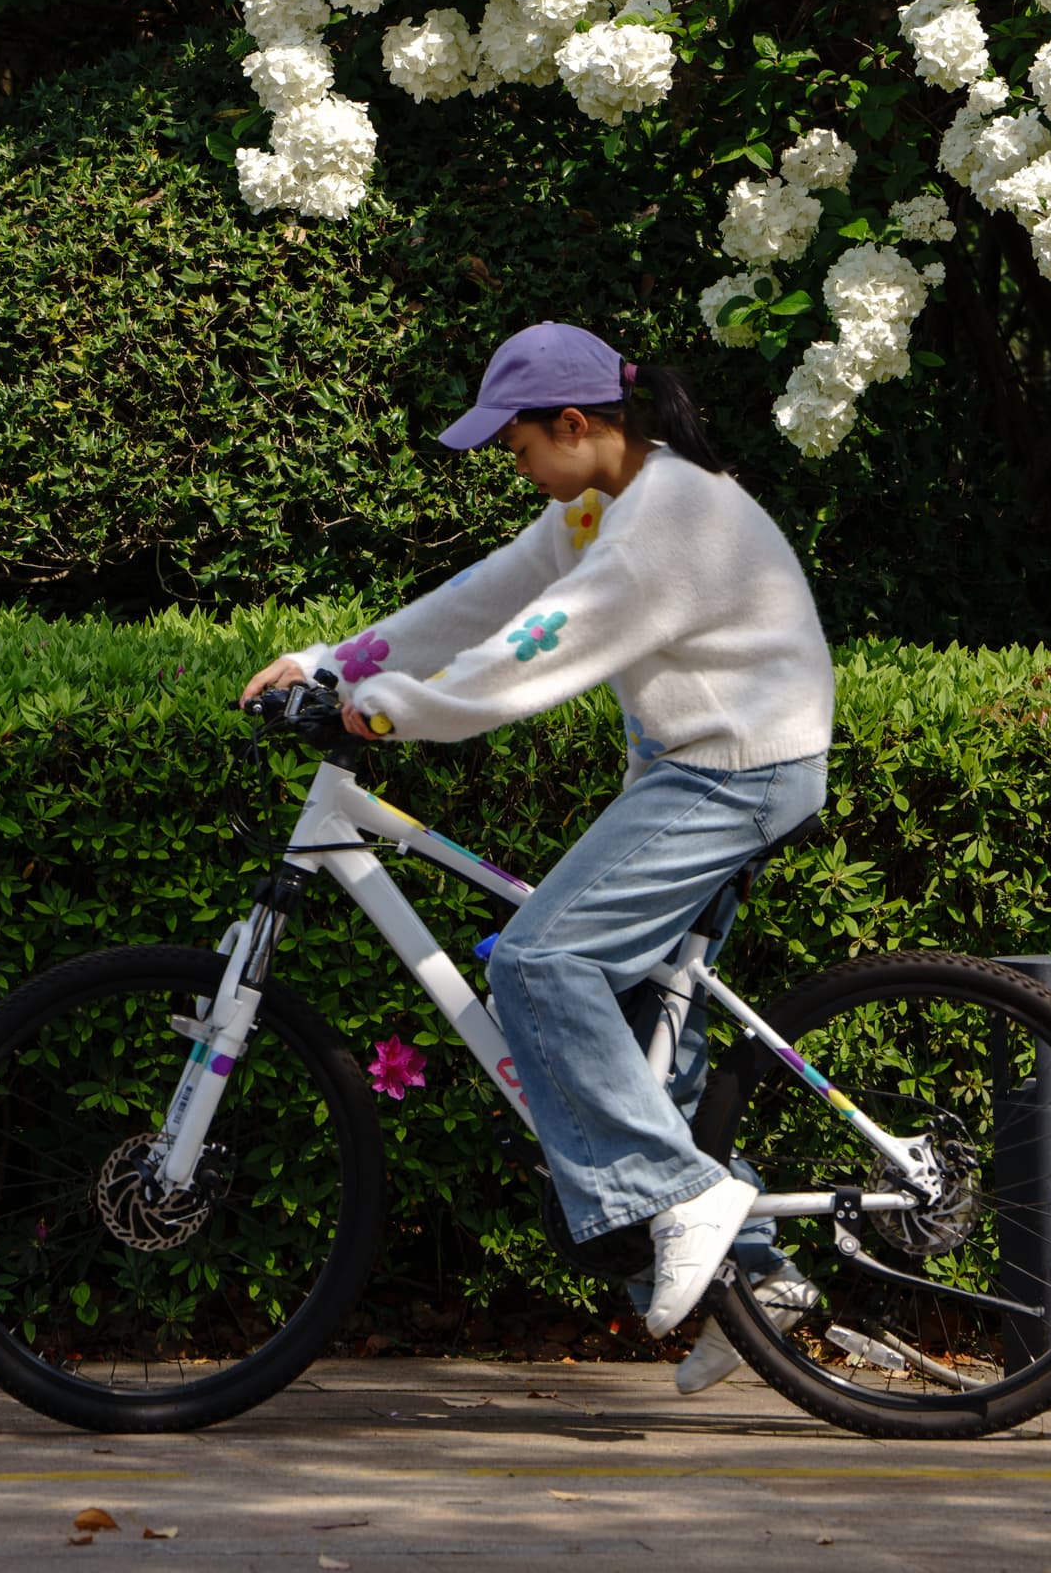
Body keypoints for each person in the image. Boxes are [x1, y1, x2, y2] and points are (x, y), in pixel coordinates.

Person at [239, 317, 835, 1386]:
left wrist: (379, 713)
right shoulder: (606, 502)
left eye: (516, 450)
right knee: (650, 1034)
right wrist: (330, 660)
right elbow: (482, 598)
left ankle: (683, 1195)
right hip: (701, 769)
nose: (516, 472)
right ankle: (757, 1275)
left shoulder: (664, 522)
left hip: (732, 772)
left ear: (574, 423)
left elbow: (529, 652)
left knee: (537, 963)